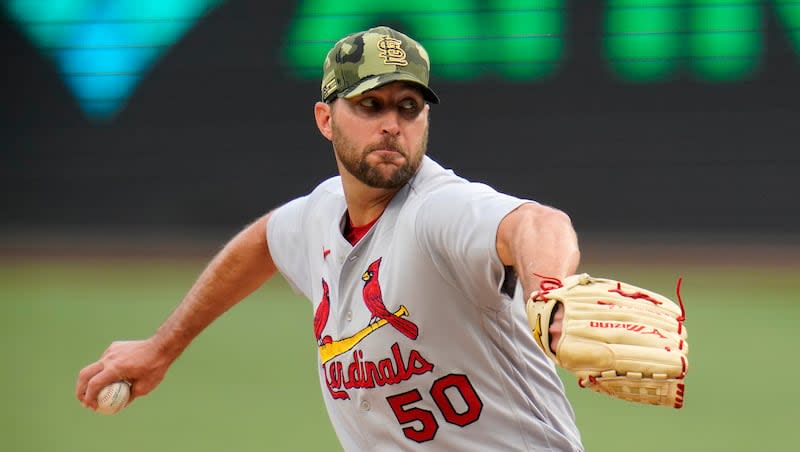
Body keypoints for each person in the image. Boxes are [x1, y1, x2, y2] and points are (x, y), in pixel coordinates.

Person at [76, 26, 583, 451]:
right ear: (325, 118)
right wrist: (163, 347)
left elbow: (536, 223)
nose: (392, 124)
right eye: (370, 104)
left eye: (409, 107)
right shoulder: (321, 213)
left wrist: (549, 296)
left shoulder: (437, 210)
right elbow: (262, 243)